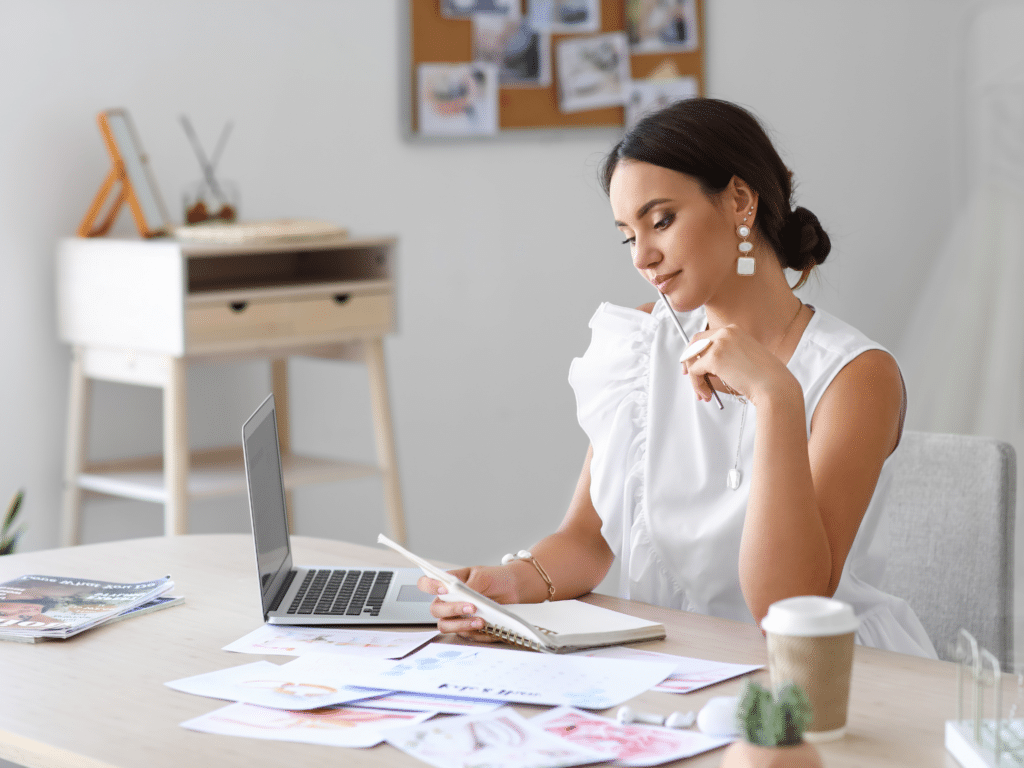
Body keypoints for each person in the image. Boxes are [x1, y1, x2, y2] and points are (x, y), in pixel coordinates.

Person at [419, 97, 938, 658]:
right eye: (627, 235)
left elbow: (786, 606)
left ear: (739, 200)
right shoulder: (641, 344)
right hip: (669, 663)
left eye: (661, 220)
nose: (642, 256)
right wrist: (510, 584)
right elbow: (585, 540)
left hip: (819, 673)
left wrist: (774, 396)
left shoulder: (856, 376)